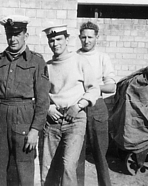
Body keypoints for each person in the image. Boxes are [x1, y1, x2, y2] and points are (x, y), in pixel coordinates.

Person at [0, 15, 50, 186]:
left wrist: (35, 129)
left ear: (26, 35)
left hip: (24, 117)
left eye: (17, 34)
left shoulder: (37, 61)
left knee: (24, 171)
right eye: (9, 34)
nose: (13, 39)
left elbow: (43, 100)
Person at [41, 24, 100, 186]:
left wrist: (79, 105)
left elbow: (94, 89)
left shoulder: (80, 61)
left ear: (67, 40)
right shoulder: (47, 66)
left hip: (75, 119)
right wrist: (48, 108)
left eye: (59, 39)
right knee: (47, 167)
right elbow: (40, 93)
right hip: (53, 120)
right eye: (51, 40)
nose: (55, 43)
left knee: (68, 166)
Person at [77, 21, 116, 186]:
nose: (86, 41)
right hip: (78, 107)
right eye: (83, 37)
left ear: (96, 38)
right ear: (79, 37)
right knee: (77, 155)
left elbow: (111, 86)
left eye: (90, 37)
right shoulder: (74, 56)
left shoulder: (102, 58)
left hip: (97, 108)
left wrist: (93, 87)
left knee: (100, 155)